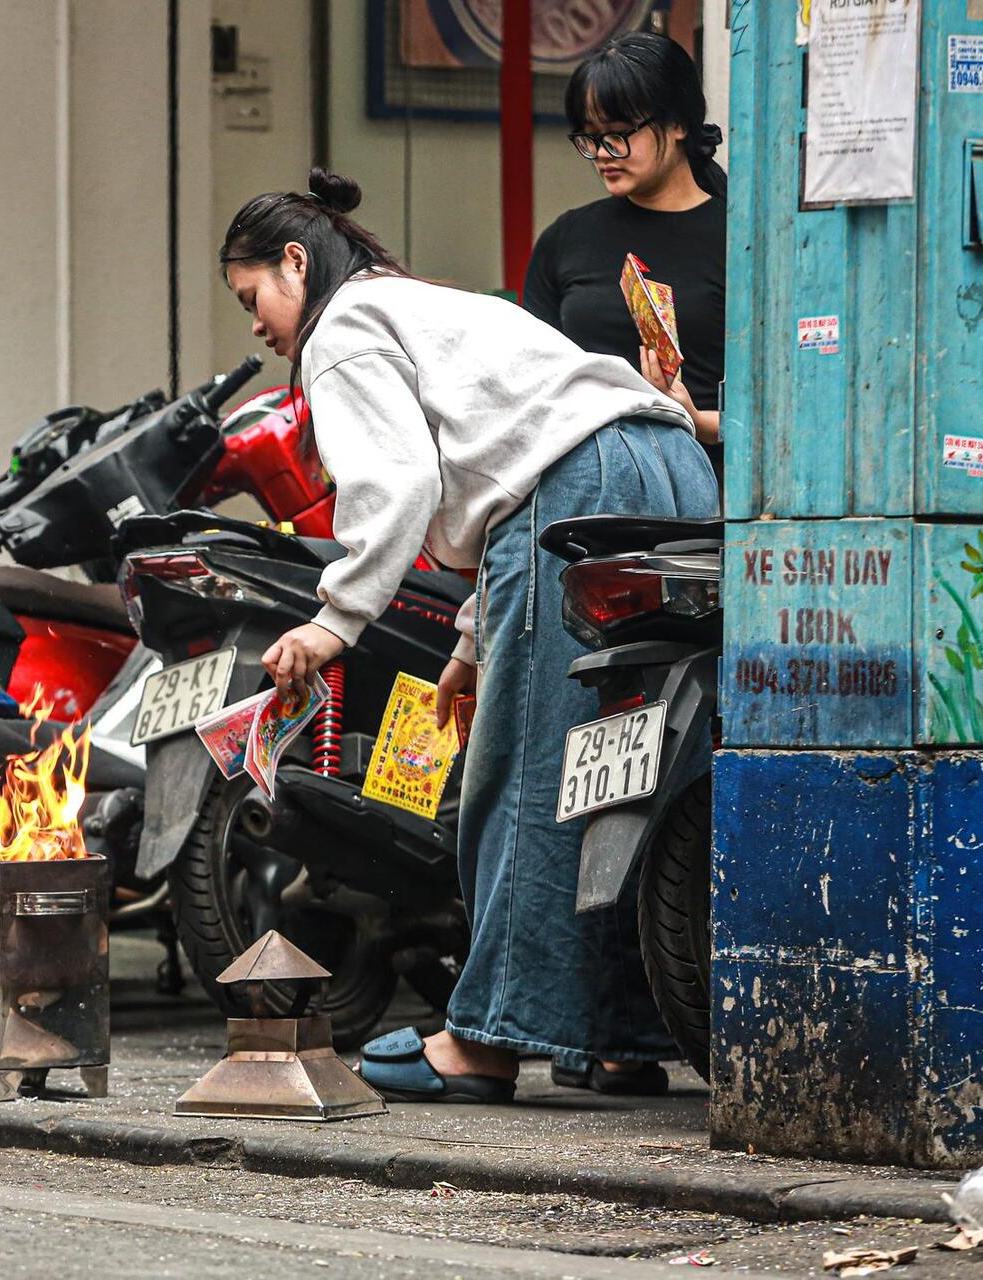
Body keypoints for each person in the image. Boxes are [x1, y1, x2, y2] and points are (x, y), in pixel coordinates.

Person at [224, 169, 718, 1104]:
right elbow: (499, 478)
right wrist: (471, 645)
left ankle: (487, 1037)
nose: (258, 324)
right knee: (628, 765)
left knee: (528, 772)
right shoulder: (424, 307)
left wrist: (335, 622)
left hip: (578, 489)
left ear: (296, 263)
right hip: (673, 467)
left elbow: (403, 483)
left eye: (254, 297)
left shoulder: (344, 327)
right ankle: (621, 1034)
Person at [523, 31, 725, 466]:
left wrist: (695, 420)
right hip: (587, 480)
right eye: (590, 138)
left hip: (712, 493)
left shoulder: (740, 239)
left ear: (677, 124)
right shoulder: (566, 239)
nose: (602, 154)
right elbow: (530, 382)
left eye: (617, 134)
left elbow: (789, 409)